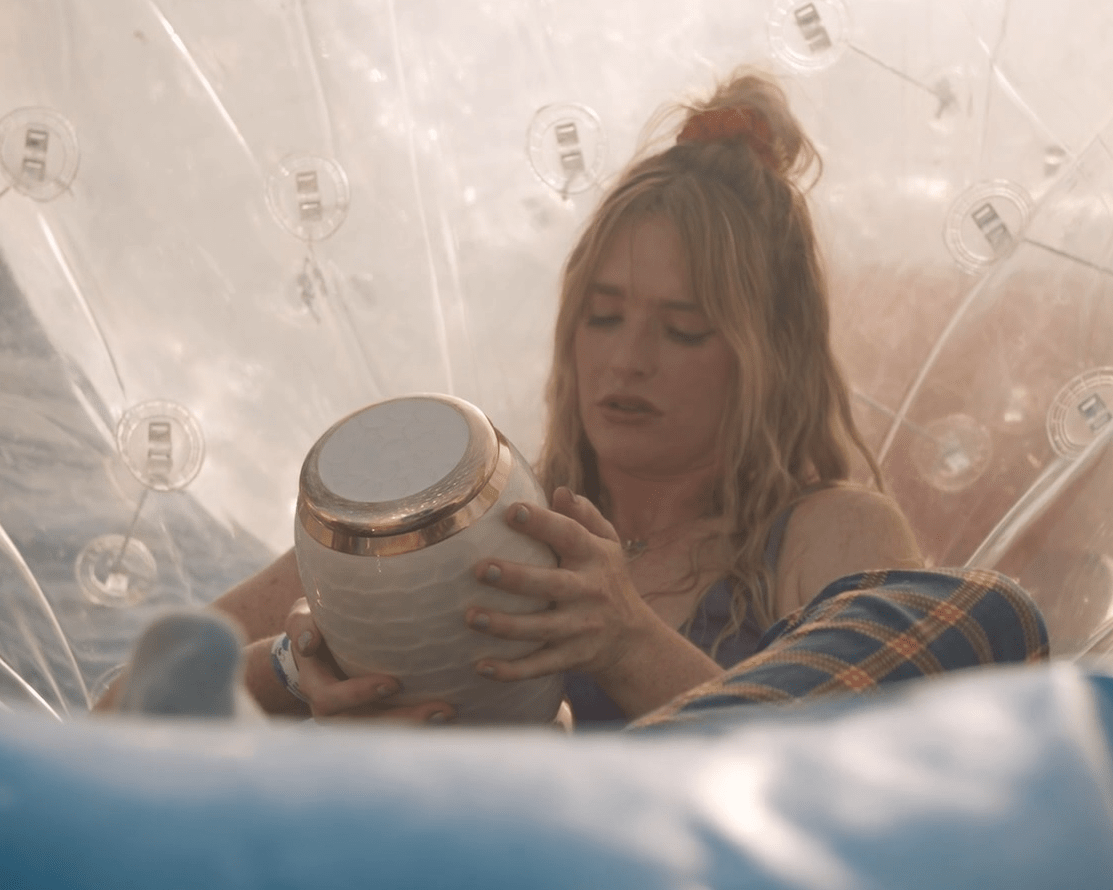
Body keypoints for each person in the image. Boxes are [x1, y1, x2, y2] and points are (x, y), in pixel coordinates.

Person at [99, 66, 929, 726]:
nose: (628, 359)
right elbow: (115, 720)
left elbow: (865, 802)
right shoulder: (466, 516)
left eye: (682, 330)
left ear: (770, 357)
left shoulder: (829, 535)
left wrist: (628, 644)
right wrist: (302, 672)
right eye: (603, 317)